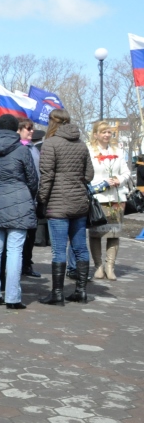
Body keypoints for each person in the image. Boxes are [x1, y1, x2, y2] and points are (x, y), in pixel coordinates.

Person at [0, 115, 39, 310]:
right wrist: (27, 195)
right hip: (19, 201)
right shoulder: (22, 150)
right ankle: (13, 297)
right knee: (15, 250)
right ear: (16, 129)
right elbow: (33, 179)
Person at [38, 109, 94, 306]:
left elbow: (47, 176)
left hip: (57, 204)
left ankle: (58, 293)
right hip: (79, 203)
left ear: (52, 122)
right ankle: (81, 291)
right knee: (80, 247)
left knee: (59, 250)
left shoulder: (50, 143)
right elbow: (89, 176)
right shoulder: (81, 144)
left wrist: (41, 200)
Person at [87, 121, 132, 280]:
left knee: (114, 233)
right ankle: (98, 266)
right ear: (96, 134)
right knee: (96, 234)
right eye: (103, 132)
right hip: (98, 199)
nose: (106, 135)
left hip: (116, 198)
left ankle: (110, 266)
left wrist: (118, 179)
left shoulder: (118, 151)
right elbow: (86, 174)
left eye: (109, 132)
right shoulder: (89, 151)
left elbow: (126, 172)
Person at [17, 119, 42, 277]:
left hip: (34, 197)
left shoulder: (34, 148)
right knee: (20, 235)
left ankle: (27, 264)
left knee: (31, 234)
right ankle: (17, 265)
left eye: (32, 128)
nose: (31, 131)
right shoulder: (18, 148)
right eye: (28, 129)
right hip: (21, 197)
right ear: (19, 130)